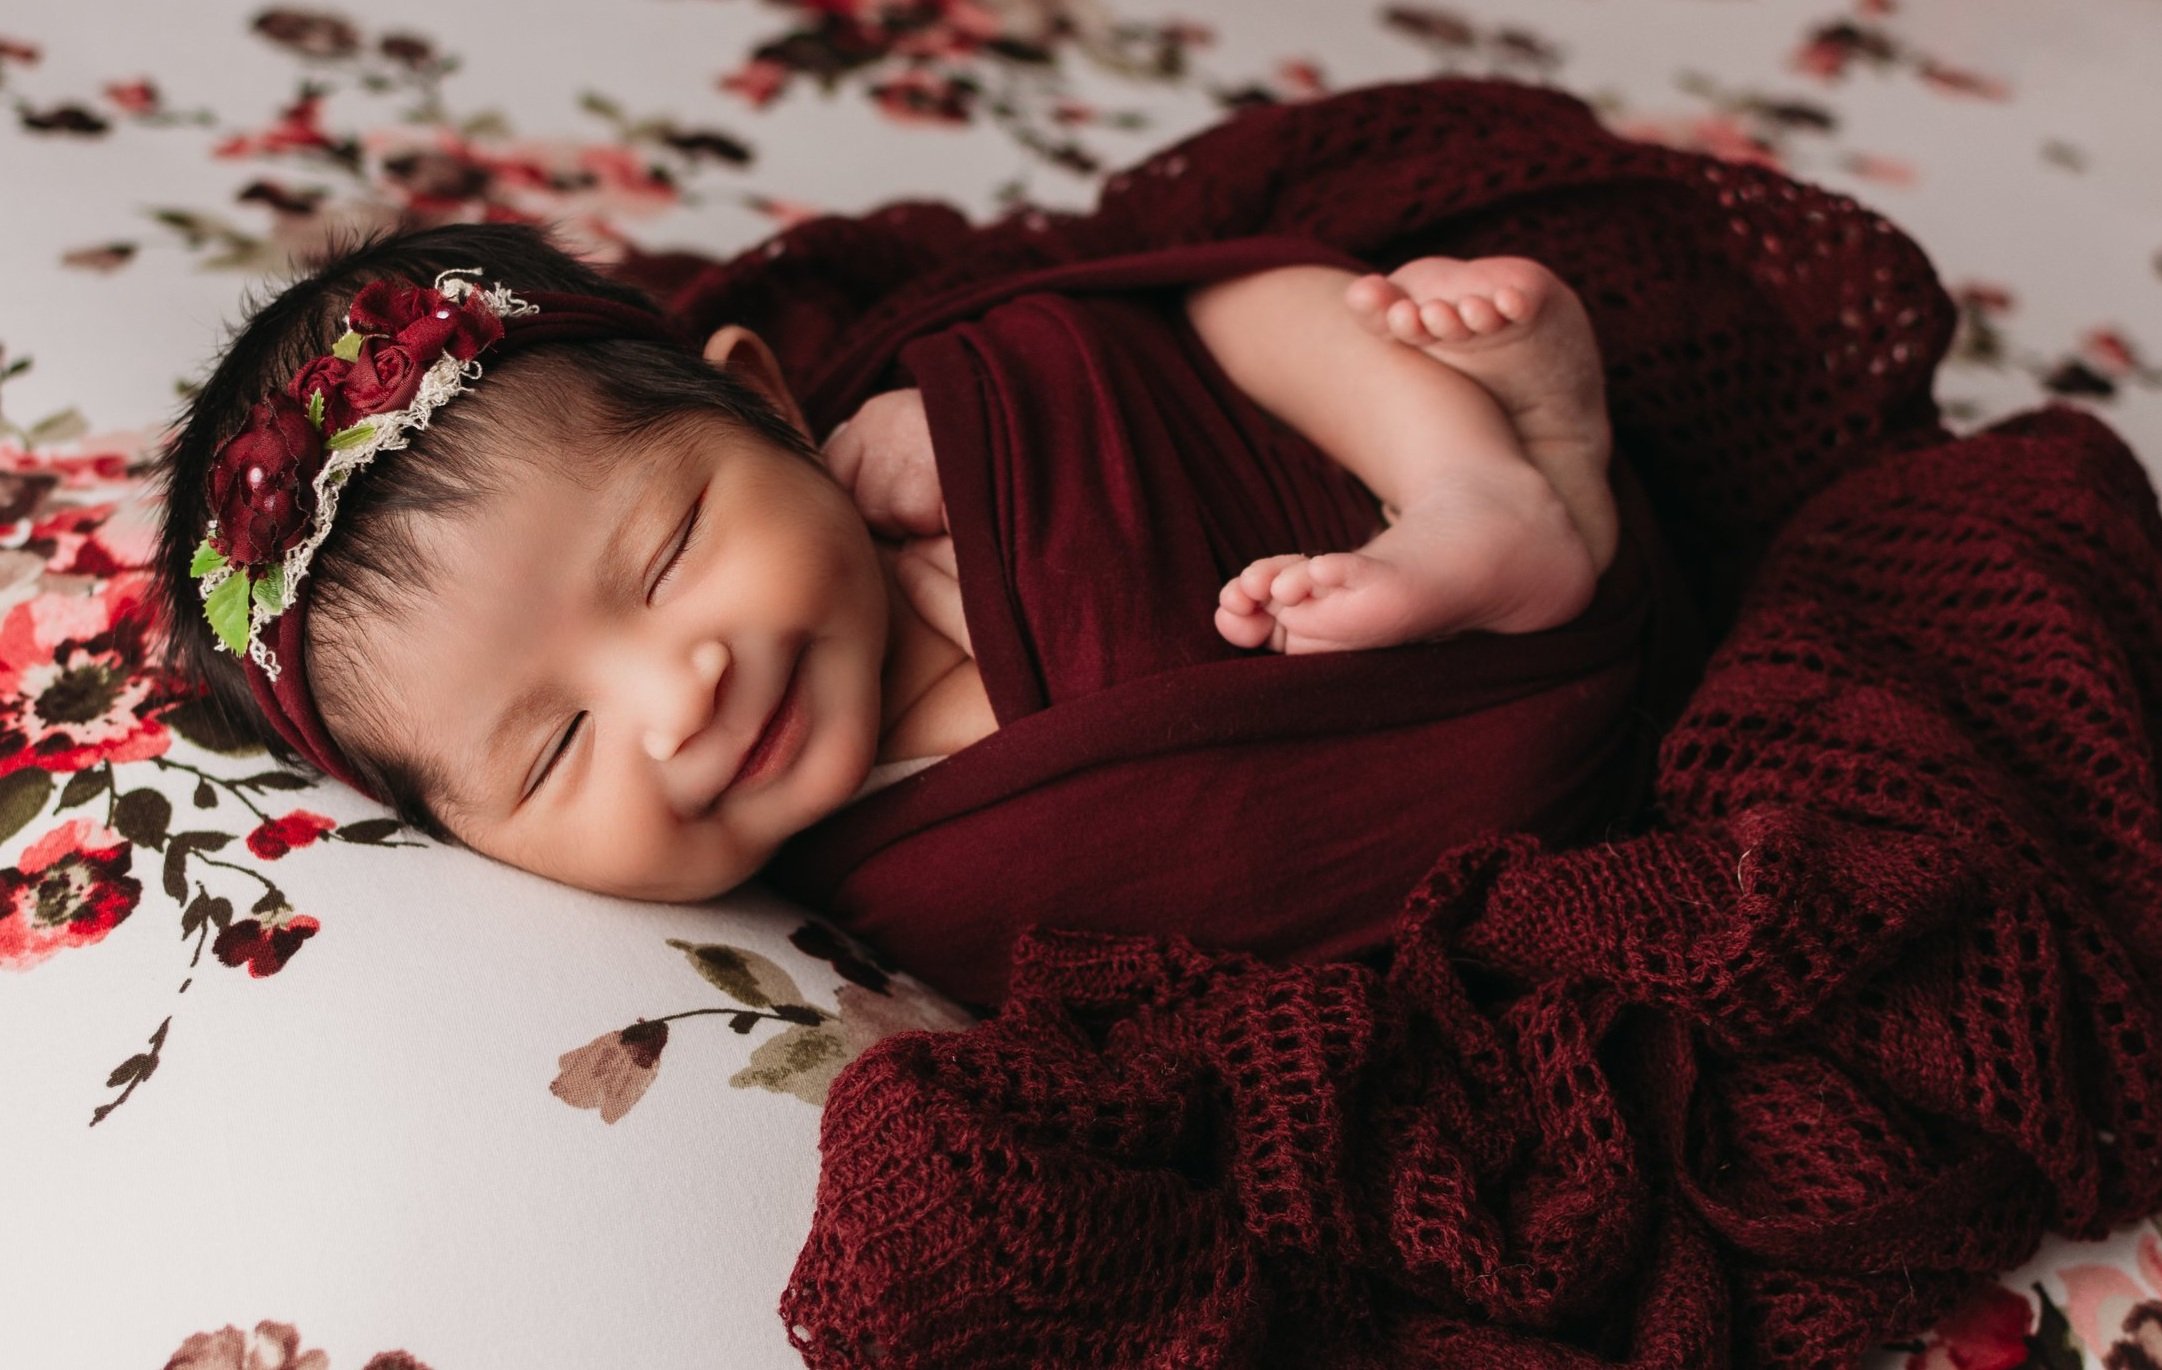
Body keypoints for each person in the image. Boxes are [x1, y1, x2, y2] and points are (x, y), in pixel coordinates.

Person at [152, 221, 1621, 914]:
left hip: (1355, 499)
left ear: (775, 408)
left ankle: (1483, 474)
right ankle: (1559, 493)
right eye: (555, 749)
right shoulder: (868, 885)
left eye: (666, 557)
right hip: (1491, 775)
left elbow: (1106, 361)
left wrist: (996, 418)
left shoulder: (909, 454)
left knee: (1234, 303)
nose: (680, 696)